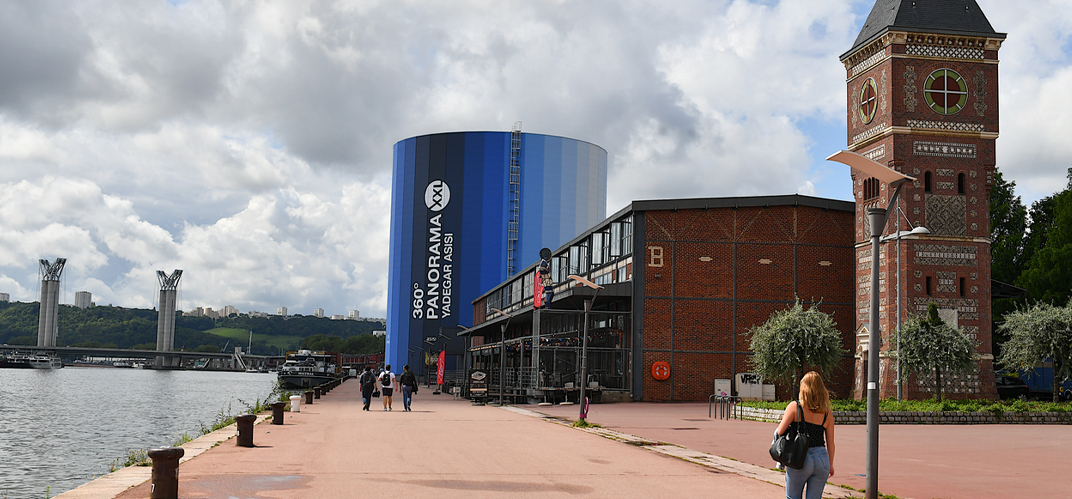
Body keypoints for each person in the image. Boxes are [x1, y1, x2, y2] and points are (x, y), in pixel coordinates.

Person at [776, 371, 835, 499]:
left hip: (800, 457)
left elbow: (780, 431)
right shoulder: (827, 413)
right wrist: (830, 464)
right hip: (821, 458)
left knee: (793, 497)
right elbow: (830, 443)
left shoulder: (795, 407)